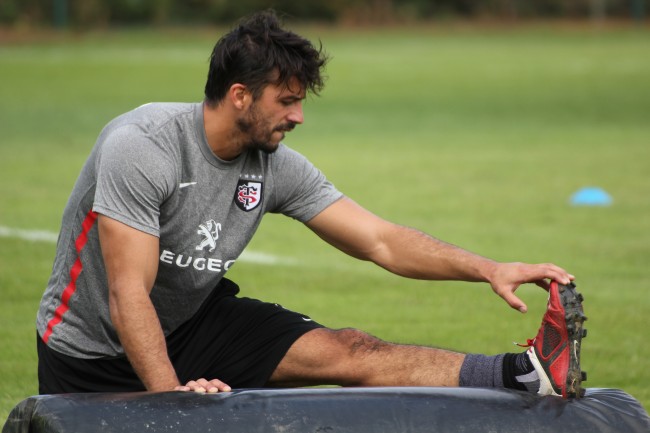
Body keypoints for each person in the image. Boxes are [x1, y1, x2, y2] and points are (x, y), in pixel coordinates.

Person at [36, 10, 586, 400]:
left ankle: (519, 375)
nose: (298, 116)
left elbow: (380, 241)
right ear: (240, 96)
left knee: (351, 349)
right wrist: (173, 400)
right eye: (288, 101)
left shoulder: (274, 163)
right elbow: (126, 292)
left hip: (191, 324)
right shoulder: (143, 147)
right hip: (91, 354)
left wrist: (490, 269)